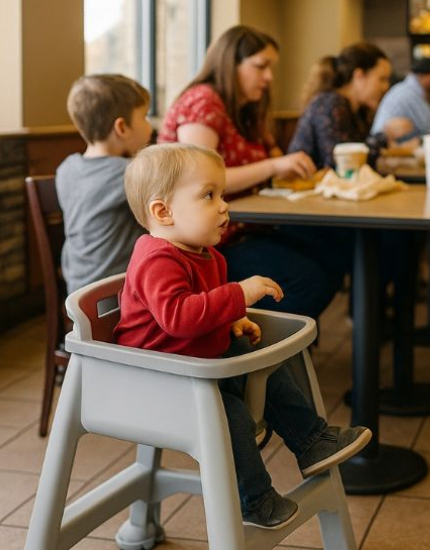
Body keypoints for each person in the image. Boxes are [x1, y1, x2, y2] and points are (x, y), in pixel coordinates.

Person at [114, 143, 372, 529]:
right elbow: (179, 318)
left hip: (194, 365)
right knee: (229, 415)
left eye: (222, 194)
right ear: (162, 211)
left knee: (264, 358)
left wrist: (230, 320)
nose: (223, 206)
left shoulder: (207, 254)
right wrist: (239, 295)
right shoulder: (157, 258)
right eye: (208, 195)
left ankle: (311, 440)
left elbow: (199, 311)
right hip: (157, 380)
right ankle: (255, 500)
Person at [159, 25, 340, 321]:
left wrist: (285, 164)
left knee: (334, 251)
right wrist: (273, 166)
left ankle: (283, 348)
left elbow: (273, 156)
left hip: (248, 227)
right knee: (308, 281)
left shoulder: (245, 109)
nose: (268, 77)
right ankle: (244, 344)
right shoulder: (203, 102)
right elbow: (198, 181)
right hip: (209, 242)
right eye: (261, 66)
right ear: (231, 64)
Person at [56, 74, 151, 294]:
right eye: (145, 117)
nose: (149, 127)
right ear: (122, 128)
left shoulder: (66, 168)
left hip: (77, 293)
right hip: (115, 297)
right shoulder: (129, 172)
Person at [288, 42, 391, 169]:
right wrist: (384, 136)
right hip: (307, 186)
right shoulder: (330, 105)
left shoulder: (360, 111)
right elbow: (339, 163)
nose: (385, 87)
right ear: (359, 75)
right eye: (382, 79)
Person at [371, 57, 430, 143]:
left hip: (391, 148)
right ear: (424, 76)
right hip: (384, 150)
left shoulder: (406, 89)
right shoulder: (409, 94)